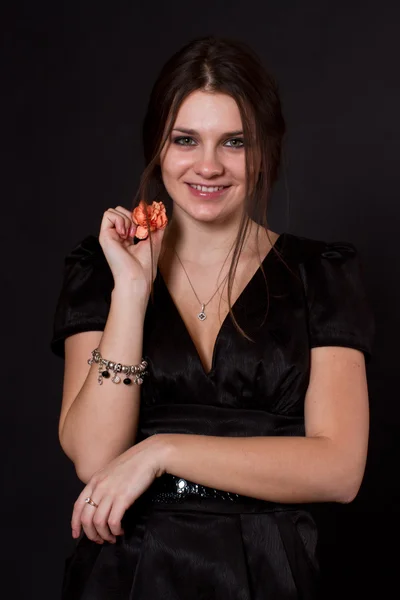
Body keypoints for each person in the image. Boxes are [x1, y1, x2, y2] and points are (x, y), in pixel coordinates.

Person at [50, 35, 375, 600]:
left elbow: (340, 470)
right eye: (185, 140)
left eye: (234, 142)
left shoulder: (320, 273)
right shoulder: (102, 269)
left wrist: (162, 452)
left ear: (266, 149)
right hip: (125, 574)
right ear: (158, 144)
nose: (208, 166)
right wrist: (131, 290)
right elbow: (96, 458)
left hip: (270, 573)